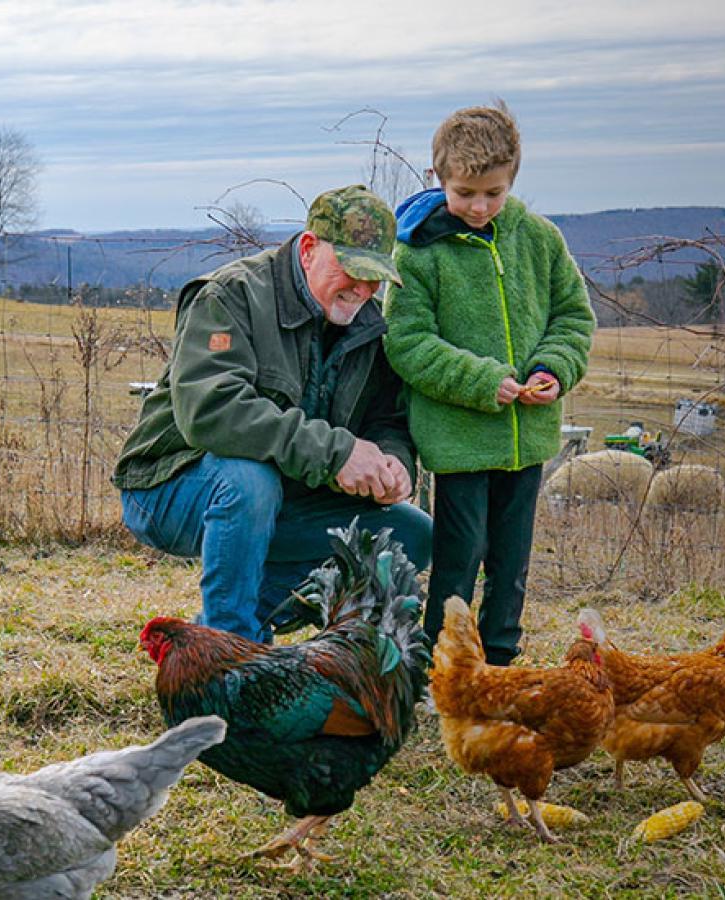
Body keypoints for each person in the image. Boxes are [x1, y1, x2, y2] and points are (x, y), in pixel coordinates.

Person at [112, 185, 431, 643]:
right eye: (351, 272)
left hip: (282, 495)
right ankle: (231, 654)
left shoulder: (369, 324)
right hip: (169, 484)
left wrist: (392, 463)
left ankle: (243, 627)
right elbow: (212, 411)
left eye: (375, 277)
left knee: (411, 534)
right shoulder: (231, 297)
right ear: (308, 249)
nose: (363, 290)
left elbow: (387, 420)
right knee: (248, 480)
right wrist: (339, 454)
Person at [384, 103, 595, 665]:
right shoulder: (418, 251)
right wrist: (484, 380)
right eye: (465, 193)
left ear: (513, 181)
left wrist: (552, 369)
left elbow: (573, 318)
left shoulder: (540, 239)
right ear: (439, 180)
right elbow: (405, 340)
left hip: (526, 436)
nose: (479, 207)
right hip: (458, 439)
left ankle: (499, 663)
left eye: (493, 194)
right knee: (460, 555)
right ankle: (439, 666)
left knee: (511, 558)